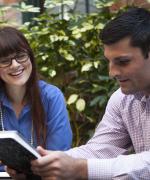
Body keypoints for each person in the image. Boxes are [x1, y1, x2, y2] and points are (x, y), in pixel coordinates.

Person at [30, 7, 150, 180]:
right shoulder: (123, 99)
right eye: (109, 62)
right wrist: (45, 164)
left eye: (123, 62)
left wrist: (82, 169)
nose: (112, 72)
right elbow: (100, 149)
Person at [0, 26, 72, 178]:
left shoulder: (52, 97)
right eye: (5, 61)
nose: (15, 65)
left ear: (30, 57)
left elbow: (59, 154)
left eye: (20, 56)